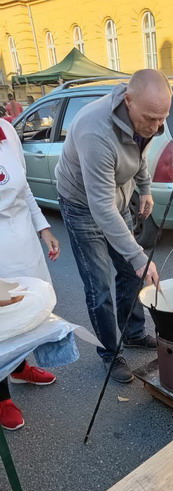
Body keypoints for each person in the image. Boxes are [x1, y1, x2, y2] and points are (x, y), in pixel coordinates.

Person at [55, 69, 172, 384]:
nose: (156, 126)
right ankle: (109, 352)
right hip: (82, 205)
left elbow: (139, 153)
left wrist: (144, 189)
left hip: (116, 198)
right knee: (100, 286)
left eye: (162, 119)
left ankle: (133, 333)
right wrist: (138, 256)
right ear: (128, 100)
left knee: (132, 274)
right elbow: (101, 207)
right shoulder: (96, 132)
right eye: (151, 119)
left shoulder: (145, 118)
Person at [0, 118, 60, 430]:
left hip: (23, 243)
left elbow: (23, 189)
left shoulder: (7, 131)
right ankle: (1, 399)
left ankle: (19, 369)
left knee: (23, 311)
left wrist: (43, 229)